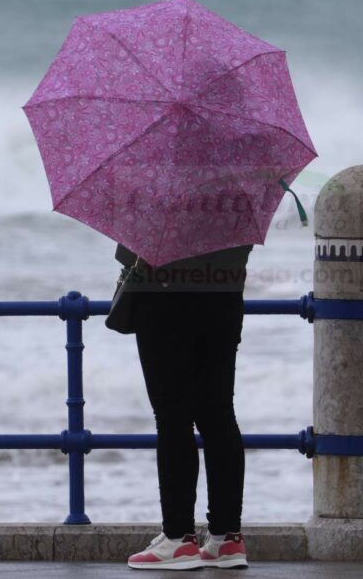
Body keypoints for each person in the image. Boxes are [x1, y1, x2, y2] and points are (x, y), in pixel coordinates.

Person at [118, 241, 253, 571]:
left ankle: (178, 539)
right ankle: (226, 538)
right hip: (224, 298)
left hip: (164, 302)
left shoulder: (156, 189)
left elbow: (130, 253)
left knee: (172, 418)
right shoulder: (237, 191)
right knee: (219, 413)